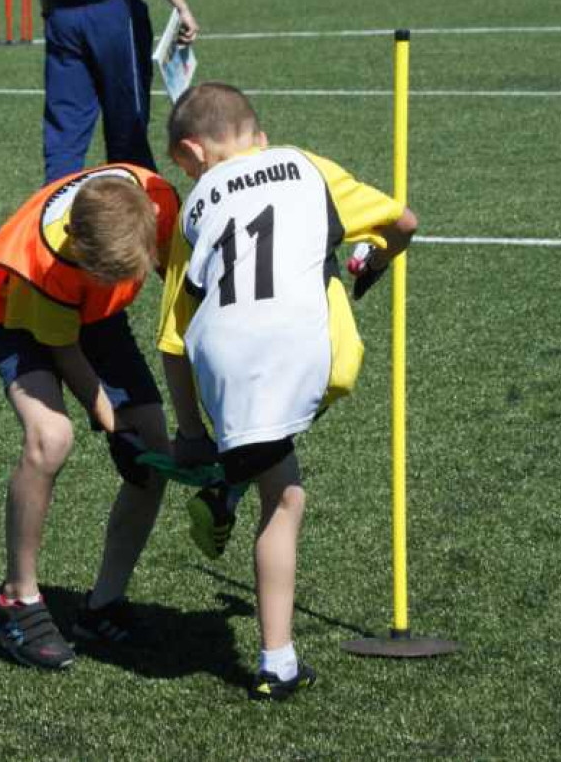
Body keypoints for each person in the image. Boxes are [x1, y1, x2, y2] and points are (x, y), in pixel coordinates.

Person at [156, 83, 418, 700]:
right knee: (285, 495)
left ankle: (229, 477)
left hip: (220, 364)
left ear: (193, 152)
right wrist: (374, 262)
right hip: (317, 361)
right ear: (260, 136)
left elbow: (173, 339)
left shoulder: (196, 206)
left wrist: (191, 434)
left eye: (186, 165)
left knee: (278, 478)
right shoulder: (306, 165)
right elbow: (403, 222)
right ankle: (274, 659)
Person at [0, 164, 180, 669]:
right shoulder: (49, 260)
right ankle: (16, 601)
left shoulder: (158, 202)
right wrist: (113, 426)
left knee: (155, 448)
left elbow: (184, 296)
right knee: (51, 438)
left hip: (96, 313)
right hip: (21, 315)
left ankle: (103, 603)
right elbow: (65, 351)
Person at [41, 0, 199, 183]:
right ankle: (140, 205)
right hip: (113, 11)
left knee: (65, 132)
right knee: (128, 130)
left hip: (62, 13)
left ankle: (54, 206)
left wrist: (50, 8)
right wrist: (182, 8)